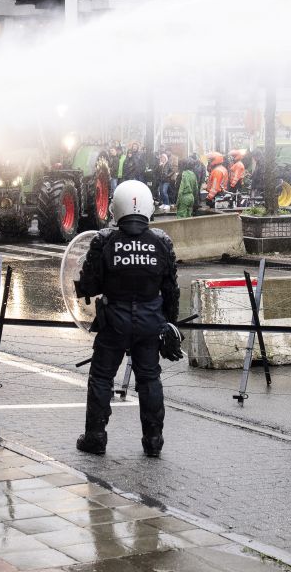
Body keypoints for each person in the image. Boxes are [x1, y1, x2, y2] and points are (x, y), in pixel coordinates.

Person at [74, 180, 180, 457]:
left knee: (101, 378)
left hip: (113, 322)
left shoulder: (104, 240)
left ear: (115, 207)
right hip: (149, 321)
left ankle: (96, 437)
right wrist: (171, 325)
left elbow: (88, 283)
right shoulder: (162, 241)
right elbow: (171, 290)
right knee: (149, 380)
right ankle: (154, 441)